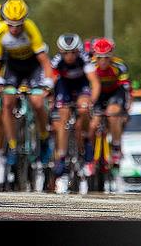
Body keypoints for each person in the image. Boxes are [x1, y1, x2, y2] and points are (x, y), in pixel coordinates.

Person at [0, 0, 54, 169]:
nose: (15, 29)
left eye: (19, 25)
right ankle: (11, 145)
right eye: (11, 24)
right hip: (13, 68)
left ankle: (44, 137)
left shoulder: (31, 29)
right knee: (7, 102)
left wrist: (48, 83)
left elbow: (45, 62)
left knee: (38, 102)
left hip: (32, 67)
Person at [50, 33, 101, 193]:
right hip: (64, 88)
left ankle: (85, 140)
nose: (70, 56)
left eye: (73, 52)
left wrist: (91, 101)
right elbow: (50, 80)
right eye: (65, 53)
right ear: (60, 52)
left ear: (78, 51)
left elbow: (95, 83)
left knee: (84, 108)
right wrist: (50, 98)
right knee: (63, 119)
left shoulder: (85, 59)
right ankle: (62, 158)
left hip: (81, 88)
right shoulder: (56, 61)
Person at [86, 38, 131, 180]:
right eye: (99, 57)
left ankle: (116, 147)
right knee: (93, 125)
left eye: (106, 57)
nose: (103, 61)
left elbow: (127, 90)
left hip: (115, 93)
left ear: (111, 55)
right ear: (95, 56)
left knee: (113, 114)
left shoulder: (120, 66)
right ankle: (92, 155)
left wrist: (126, 109)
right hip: (98, 94)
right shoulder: (90, 66)